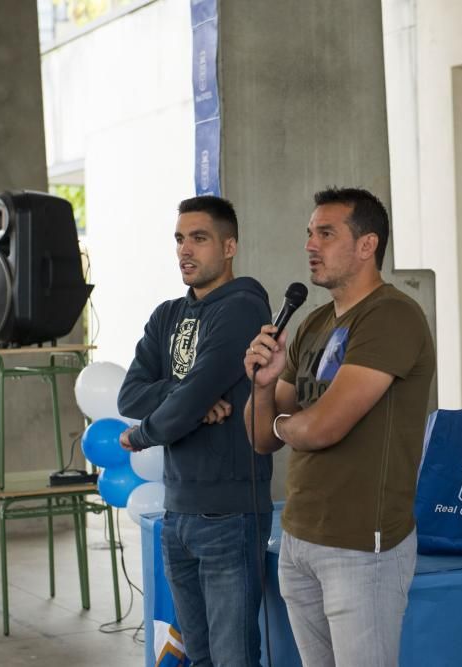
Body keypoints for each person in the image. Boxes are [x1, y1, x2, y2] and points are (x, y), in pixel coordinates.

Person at [243, 187, 435, 667]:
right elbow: (259, 436)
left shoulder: (391, 315)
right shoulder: (314, 323)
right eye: (309, 233)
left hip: (360, 544)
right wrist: (264, 386)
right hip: (301, 536)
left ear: (367, 245)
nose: (311, 244)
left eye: (326, 233)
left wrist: (284, 420)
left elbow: (326, 427)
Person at [117, 195, 272, 667]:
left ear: (229, 247)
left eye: (199, 238)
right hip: (177, 512)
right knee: (198, 659)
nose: (185, 249)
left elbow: (199, 387)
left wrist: (141, 435)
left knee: (232, 659)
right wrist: (185, 401)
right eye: (180, 239)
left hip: (228, 515)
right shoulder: (167, 315)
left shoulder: (243, 306)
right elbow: (130, 394)